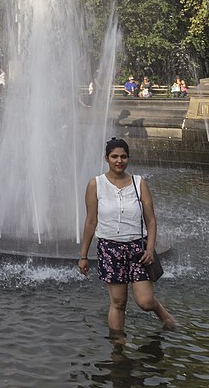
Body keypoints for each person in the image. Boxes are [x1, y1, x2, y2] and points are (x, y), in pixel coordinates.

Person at [78, 137, 177, 336]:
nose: (119, 161)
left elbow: (151, 221)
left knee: (145, 301)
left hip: (137, 249)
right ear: (106, 158)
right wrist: (83, 256)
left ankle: (161, 312)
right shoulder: (95, 184)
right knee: (118, 302)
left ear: (128, 158)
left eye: (123, 157)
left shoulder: (139, 183)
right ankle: (117, 345)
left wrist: (150, 248)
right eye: (114, 156)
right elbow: (90, 222)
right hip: (109, 248)